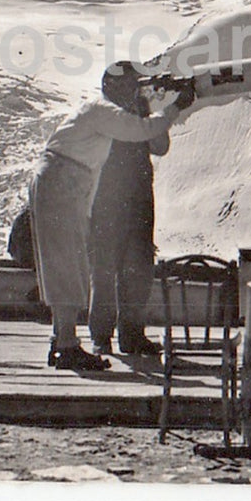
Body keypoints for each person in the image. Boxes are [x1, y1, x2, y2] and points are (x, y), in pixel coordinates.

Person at [29, 63, 189, 371]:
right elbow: (143, 131)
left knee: (69, 264)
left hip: (81, 185)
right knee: (75, 265)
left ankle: (63, 341)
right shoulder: (106, 113)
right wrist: (174, 108)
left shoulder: (103, 111)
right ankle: (71, 344)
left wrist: (149, 109)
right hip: (80, 187)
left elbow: (156, 142)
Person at [86, 112, 167, 357]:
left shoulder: (143, 114)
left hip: (139, 198)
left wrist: (154, 116)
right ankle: (101, 336)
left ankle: (132, 336)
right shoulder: (105, 112)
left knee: (138, 269)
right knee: (104, 269)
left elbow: (161, 147)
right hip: (108, 197)